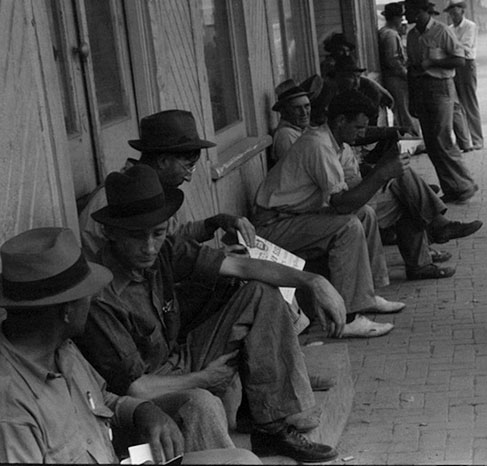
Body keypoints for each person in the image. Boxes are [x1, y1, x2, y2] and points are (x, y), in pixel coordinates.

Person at [77, 165, 345, 462]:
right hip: (142, 400)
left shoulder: (163, 250)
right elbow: (136, 389)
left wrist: (313, 281)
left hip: (176, 358)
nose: (150, 247)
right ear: (110, 232)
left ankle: (272, 429)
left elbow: (243, 266)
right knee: (200, 402)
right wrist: (205, 378)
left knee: (259, 293)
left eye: (158, 232)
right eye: (137, 237)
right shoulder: (100, 297)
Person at [0, 227, 260, 465]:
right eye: (85, 294)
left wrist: (141, 411)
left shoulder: (61, 348)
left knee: (242, 460)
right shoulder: (11, 410)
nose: (92, 299)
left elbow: (100, 399)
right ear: (66, 311)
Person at [256, 90, 479, 284]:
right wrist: (381, 174)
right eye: (358, 127)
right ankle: (434, 228)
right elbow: (342, 204)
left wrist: (383, 170)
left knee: (401, 192)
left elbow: (351, 182)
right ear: (341, 120)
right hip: (281, 221)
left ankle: (419, 260)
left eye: (307, 107)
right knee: (373, 207)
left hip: (308, 210)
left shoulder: (336, 143)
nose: (362, 133)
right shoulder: (311, 142)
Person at [78, 110, 256, 262]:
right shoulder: (116, 200)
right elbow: (144, 260)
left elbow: (172, 238)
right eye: (188, 166)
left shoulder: (153, 191)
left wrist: (216, 222)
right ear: (163, 161)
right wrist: (212, 259)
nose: (188, 178)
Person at [404, 0, 478, 203]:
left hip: (441, 88)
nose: (406, 14)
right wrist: (411, 99)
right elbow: (411, 68)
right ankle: (452, 188)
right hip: (421, 89)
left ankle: (465, 184)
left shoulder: (442, 31)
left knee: (442, 139)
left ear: (419, 11)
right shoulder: (412, 36)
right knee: (432, 143)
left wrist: (434, 63)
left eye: (408, 10)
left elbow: (460, 60)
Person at [445, 0, 484, 152]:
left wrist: (450, 47)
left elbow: (466, 47)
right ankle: (464, 141)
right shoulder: (449, 29)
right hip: (454, 65)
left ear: (462, 11)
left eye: (455, 13)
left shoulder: (470, 26)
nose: (453, 16)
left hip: (467, 65)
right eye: (451, 14)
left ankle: (477, 139)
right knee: (456, 104)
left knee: (470, 102)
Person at [378, 2, 420, 136]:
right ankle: (413, 139)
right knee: (405, 111)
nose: (402, 20)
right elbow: (393, 60)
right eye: (400, 17)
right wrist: (406, 75)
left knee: (401, 111)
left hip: (393, 77)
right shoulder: (390, 34)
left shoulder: (385, 32)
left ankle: (407, 139)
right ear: (395, 18)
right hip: (396, 79)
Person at [271, 82, 311, 163]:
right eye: (297, 108)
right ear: (284, 111)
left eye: (307, 106)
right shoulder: (286, 135)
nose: (304, 112)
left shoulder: (300, 130)